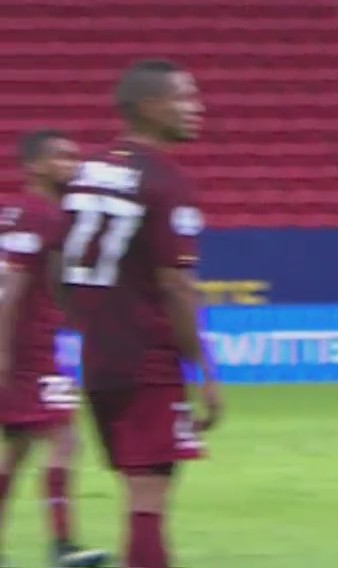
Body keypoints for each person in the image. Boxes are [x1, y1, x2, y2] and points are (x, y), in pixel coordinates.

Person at [61, 60, 221, 568]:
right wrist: (205, 370)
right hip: (147, 359)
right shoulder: (165, 181)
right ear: (150, 108)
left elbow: (58, 260)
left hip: (99, 358)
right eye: (184, 98)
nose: (196, 109)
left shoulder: (87, 172)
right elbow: (175, 284)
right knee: (149, 500)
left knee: (137, 491)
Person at [0, 132, 108, 568]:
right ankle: (63, 546)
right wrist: (4, 353)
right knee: (64, 437)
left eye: (74, 156)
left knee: (18, 447)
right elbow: (12, 287)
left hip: (27, 345)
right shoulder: (40, 215)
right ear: (35, 166)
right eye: (61, 157)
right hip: (26, 350)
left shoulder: (18, 213)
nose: (72, 164)